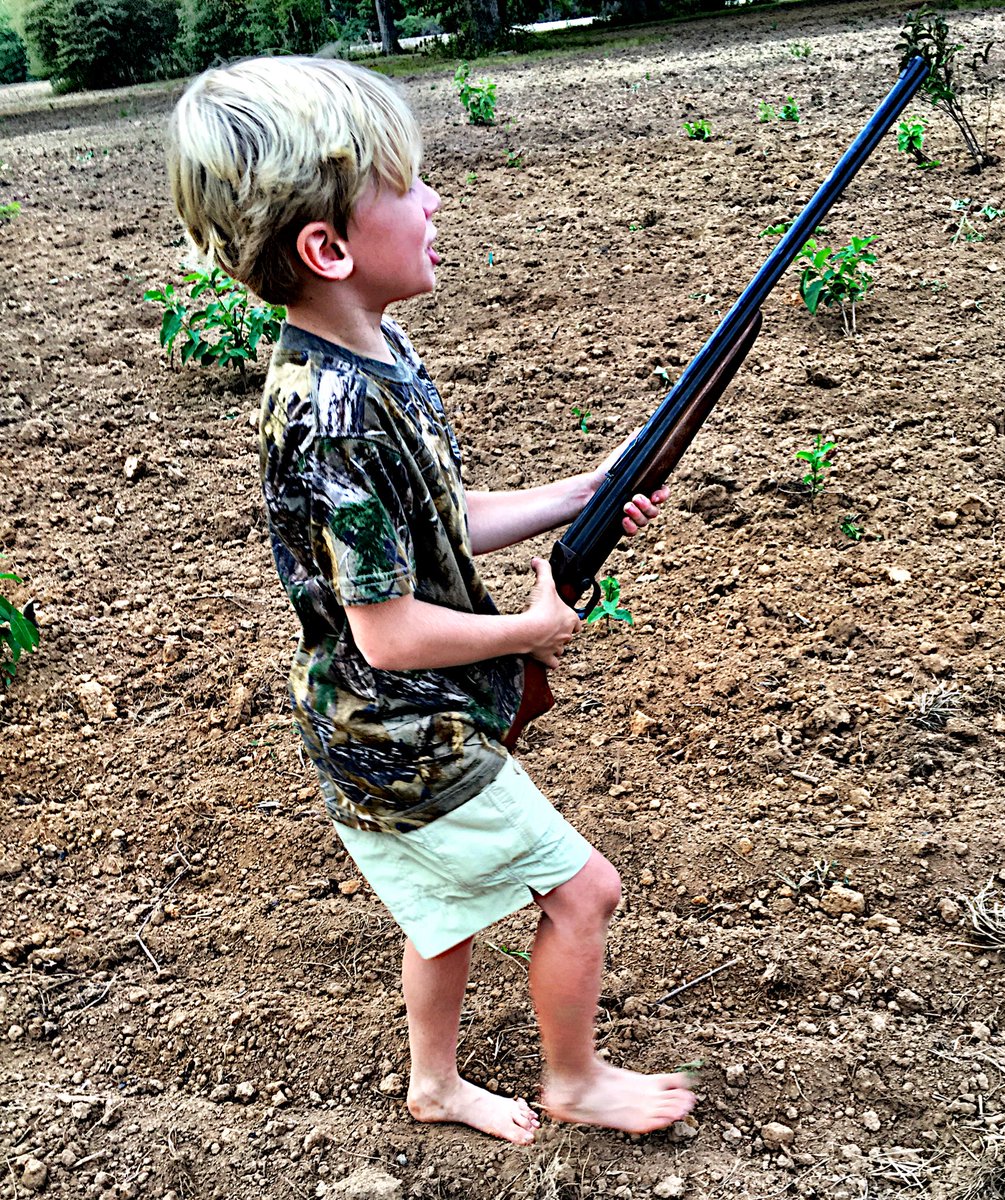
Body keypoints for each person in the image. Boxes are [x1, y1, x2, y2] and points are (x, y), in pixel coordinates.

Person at [166, 56, 695, 1145]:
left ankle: (434, 1084)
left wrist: (582, 495)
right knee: (582, 891)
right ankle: (574, 1077)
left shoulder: (372, 353)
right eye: (406, 187)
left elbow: (439, 518)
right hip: (397, 727)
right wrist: (533, 627)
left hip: (383, 712)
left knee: (440, 907)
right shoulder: (334, 418)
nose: (434, 199)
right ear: (329, 248)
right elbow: (390, 630)